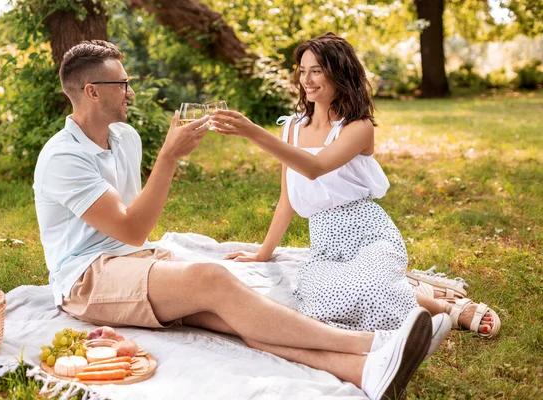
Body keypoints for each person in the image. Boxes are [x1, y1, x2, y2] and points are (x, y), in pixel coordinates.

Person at [32, 39, 438, 400]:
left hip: (134, 261)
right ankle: (374, 343)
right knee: (214, 279)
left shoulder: (125, 138)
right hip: (87, 278)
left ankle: (365, 372)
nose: (131, 92)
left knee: (238, 314)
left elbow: (136, 235)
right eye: (122, 85)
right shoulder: (63, 157)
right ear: (91, 91)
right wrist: (169, 159)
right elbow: (132, 229)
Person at [212, 32, 499, 338]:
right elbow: (287, 199)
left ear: (339, 73)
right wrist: (263, 253)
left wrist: (252, 132)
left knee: (368, 289)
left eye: (317, 71)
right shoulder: (293, 128)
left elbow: (315, 168)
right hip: (325, 246)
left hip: (370, 235)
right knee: (320, 307)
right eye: (303, 70)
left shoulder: (358, 128)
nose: (306, 80)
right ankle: (406, 289)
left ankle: (445, 308)